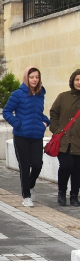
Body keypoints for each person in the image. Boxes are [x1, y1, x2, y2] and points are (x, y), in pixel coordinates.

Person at [3, 67, 50, 207]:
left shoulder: (41, 94)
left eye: (36, 77)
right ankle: (26, 196)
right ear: (26, 78)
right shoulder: (18, 94)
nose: (34, 80)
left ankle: (30, 185)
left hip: (36, 135)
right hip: (21, 136)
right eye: (31, 77)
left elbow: (38, 113)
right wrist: (18, 124)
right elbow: (7, 112)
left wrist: (45, 122)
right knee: (24, 166)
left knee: (37, 164)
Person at [49, 69, 80, 206]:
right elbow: (54, 113)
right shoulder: (63, 96)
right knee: (67, 165)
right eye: (77, 79)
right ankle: (62, 192)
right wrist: (56, 130)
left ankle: (74, 196)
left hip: (78, 141)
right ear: (73, 81)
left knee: (77, 170)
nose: (79, 82)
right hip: (64, 140)